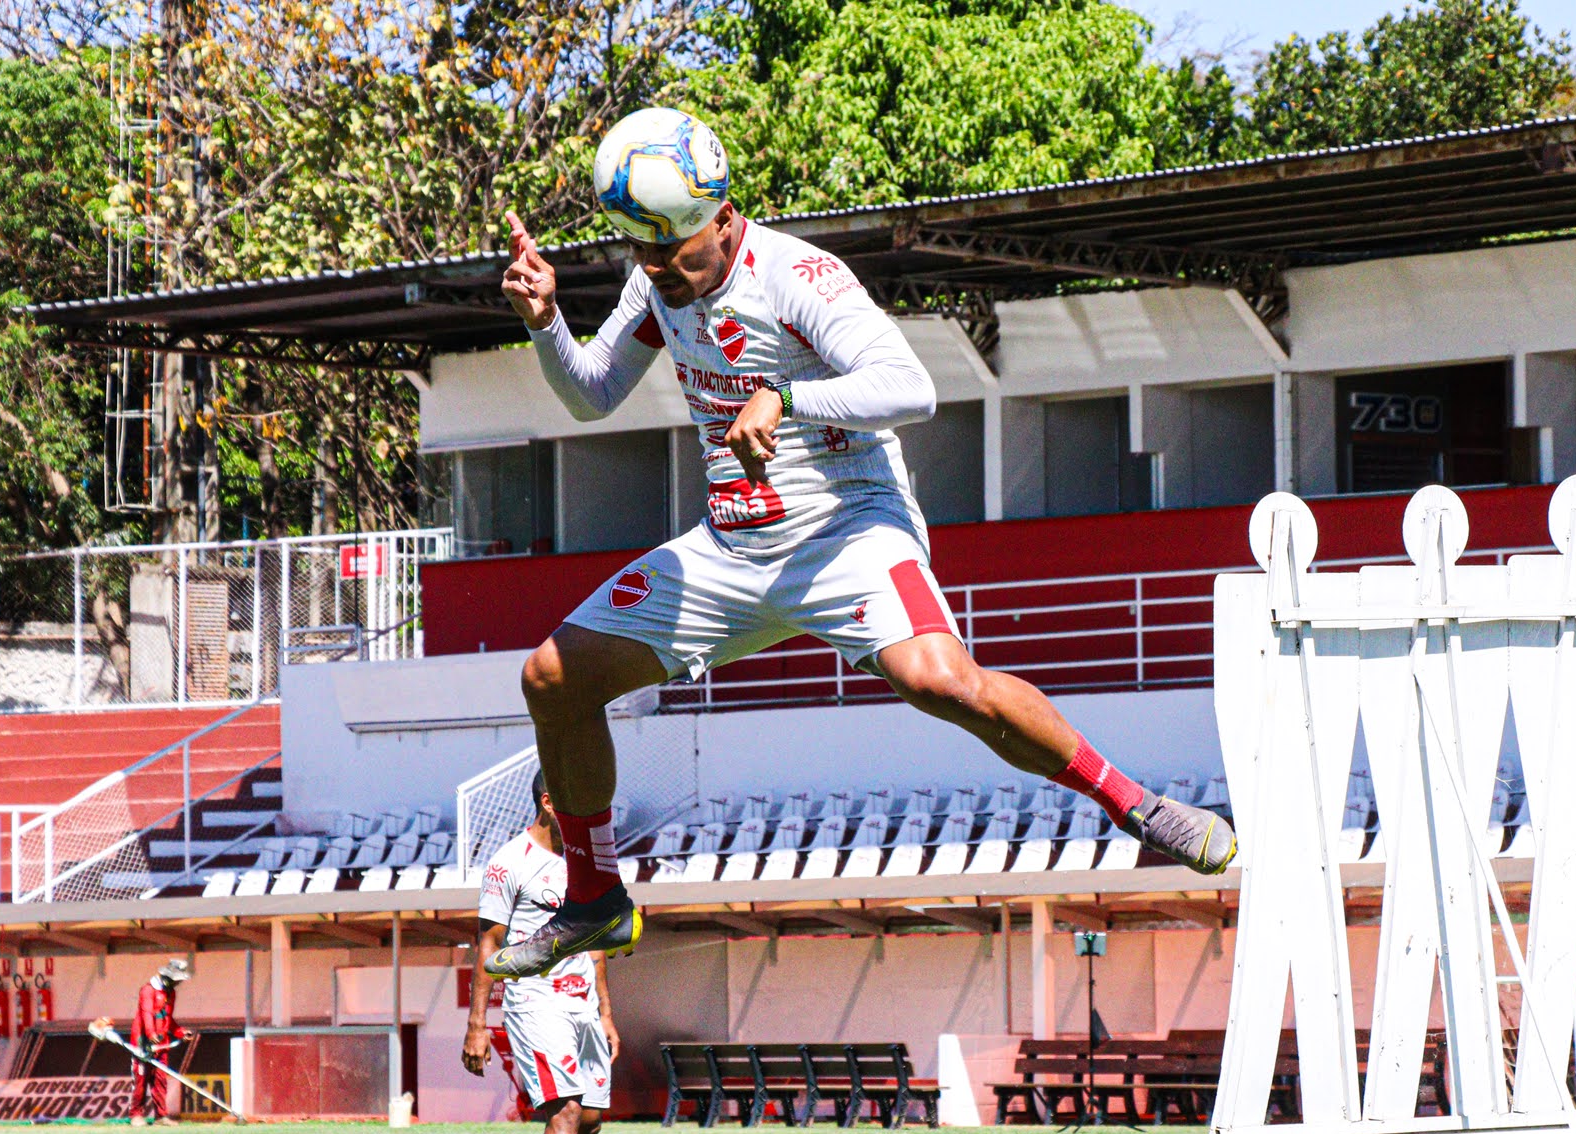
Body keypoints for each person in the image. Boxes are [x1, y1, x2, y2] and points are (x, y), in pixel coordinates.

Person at [485, 108, 1237, 980]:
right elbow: (592, 396)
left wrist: (787, 399)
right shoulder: (655, 281)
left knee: (941, 682)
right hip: (733, 548)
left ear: (724, 217)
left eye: (677, 252)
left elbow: (909, 387)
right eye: (644, 254)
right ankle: (596, 898)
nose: (661, 271)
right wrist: (544, 324)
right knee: (551, 678)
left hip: (849, 530)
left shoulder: (798, 275)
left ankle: (1136, 805)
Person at [464, 771, 619, 1134]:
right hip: (535, 1000)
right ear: (550, 803)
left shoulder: (588, 863)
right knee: (565, 1112)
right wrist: (476, 1025)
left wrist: (608, 1011)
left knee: (589, 1121)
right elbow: (489, 944)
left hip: (582, 1004)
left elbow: (596, 939)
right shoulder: (509, 863)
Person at [129, 957, 189, 1126]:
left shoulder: (171, 993)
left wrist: (180, 1032)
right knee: (141, 1079)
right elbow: (146, 1014)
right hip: (142, 1044)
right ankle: (136, 1115)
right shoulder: (147, 990)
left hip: (162, 1044)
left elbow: (168, 1018)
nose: (178, 984)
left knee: (160, 1080)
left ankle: (161, 1116)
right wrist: (150, 1033)